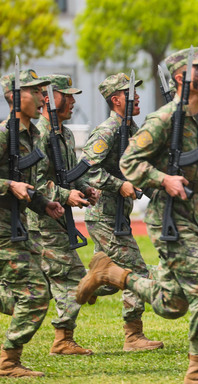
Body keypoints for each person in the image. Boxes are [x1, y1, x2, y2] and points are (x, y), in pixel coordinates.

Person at [77, 47, 198, 383]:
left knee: (172, 304)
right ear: (183, 78)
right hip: (167, 217)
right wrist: (162, 179)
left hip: (191, 215)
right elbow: (129, 164)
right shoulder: (163, 120)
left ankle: (111, 275)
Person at [81, 72, 163, 351]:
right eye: (130, 93)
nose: (137, 96)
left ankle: (90, 282)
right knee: (135, 270)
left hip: (118, 214)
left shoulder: (130, 129)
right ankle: (133, 336)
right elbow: (88, 170)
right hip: (104, 215)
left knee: (113, 277)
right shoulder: (107, 131)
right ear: (116, 100)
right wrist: (119, 186)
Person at [0, 69, 63, 377]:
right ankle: (8, 361)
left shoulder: (34, 135)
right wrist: (8, 186)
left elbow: (28, 182)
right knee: (36, 293)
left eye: (42, 91)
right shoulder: (2, 133)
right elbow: (14, 183)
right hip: (1, 231)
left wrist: (44, 204)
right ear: (14, 97)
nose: (42, 97)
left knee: (28, 292)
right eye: (35, 91)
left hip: (17, 226)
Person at [34, 74, 98, 356]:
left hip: (60, 219)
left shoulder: (66, 133)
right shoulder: (39, 134)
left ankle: (63, 338)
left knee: (60, 279)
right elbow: (34, 182)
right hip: (41, 221)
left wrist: (85, 188)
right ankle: (62, 339)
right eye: (67, 95)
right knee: (72, 278)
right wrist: (64, 195)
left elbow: (69, 175)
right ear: (47, 98)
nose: (73, 101)